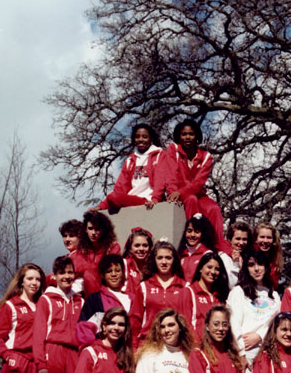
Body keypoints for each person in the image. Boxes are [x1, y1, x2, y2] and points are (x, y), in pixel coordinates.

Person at [153, 118, 225, 248]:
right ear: (179, 136)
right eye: (184, 134)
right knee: (191, 199)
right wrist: (173, 193)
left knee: (214, 208)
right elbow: (171, 175)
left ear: (197, 136)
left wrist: (180, 192)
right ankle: (194, 243)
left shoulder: (205, 157)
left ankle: (218, 246)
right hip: (179, 194)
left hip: (197, 194)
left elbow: (198, 183)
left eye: (191, 134)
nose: (187, 137)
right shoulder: (173, 149)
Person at [130, 241, 188, 348]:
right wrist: (133, 348)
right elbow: (135, 321)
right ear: (154, 260)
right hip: (149, 344)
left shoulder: (185, 287)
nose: (164, 262)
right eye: (160, 258)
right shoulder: (144, 287)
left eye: (168, 258)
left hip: (176, 345)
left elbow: (188, 321)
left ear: (174, 260)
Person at [96, 123, 163, 210]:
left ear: (151, 139)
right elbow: (120, 187)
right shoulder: (130, 160)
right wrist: (100, 206)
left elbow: (160, 180)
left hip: (147, 200)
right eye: (137, 136)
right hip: (131, 200)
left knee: (113, 198)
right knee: (113, 198)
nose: (140, 139)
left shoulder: (159, 155)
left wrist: (155, 199)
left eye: (145, 137)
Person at [76, 254, 135, 348]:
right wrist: (96, 350)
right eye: (109, 271)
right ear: (102, 275)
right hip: (104, 353)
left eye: (117, 270)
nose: (114, 274)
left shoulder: (133, 299)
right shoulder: (95, 299)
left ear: (123, 273)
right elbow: (84, 329)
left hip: (128, 352)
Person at [72, 210, 122, 297]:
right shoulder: (79, 252)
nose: (93, 233)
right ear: (85, 230)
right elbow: (70, 272)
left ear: (103, 230)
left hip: (109, 294)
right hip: (88, 298)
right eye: (90, 228)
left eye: (97, 229)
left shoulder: (113, 248)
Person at [181, 252, 230, 335]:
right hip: (197, 345)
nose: (213, 272)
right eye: (209, 267)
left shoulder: (219, 296)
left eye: (217, 269)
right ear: (200, 268)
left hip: (216, 346)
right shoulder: (189, 292)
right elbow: (185, 325)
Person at [179, 214, 234, 281]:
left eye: (197, 232)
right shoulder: (181, 254)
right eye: (189, 231)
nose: (192, 235)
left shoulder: (208, 255)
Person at [121, 227, 153, 293]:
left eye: (145, 245)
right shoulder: (124, 265)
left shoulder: (153, 268)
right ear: (130, 248)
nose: (141, 249)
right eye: (137, 245)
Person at [225, 221, 253, 286]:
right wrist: (236, 264)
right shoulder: (224, 257)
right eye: (238, 239)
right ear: (229, 239)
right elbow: (232, 284)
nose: (241, 243)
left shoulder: (248, 257)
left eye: (244, 239)